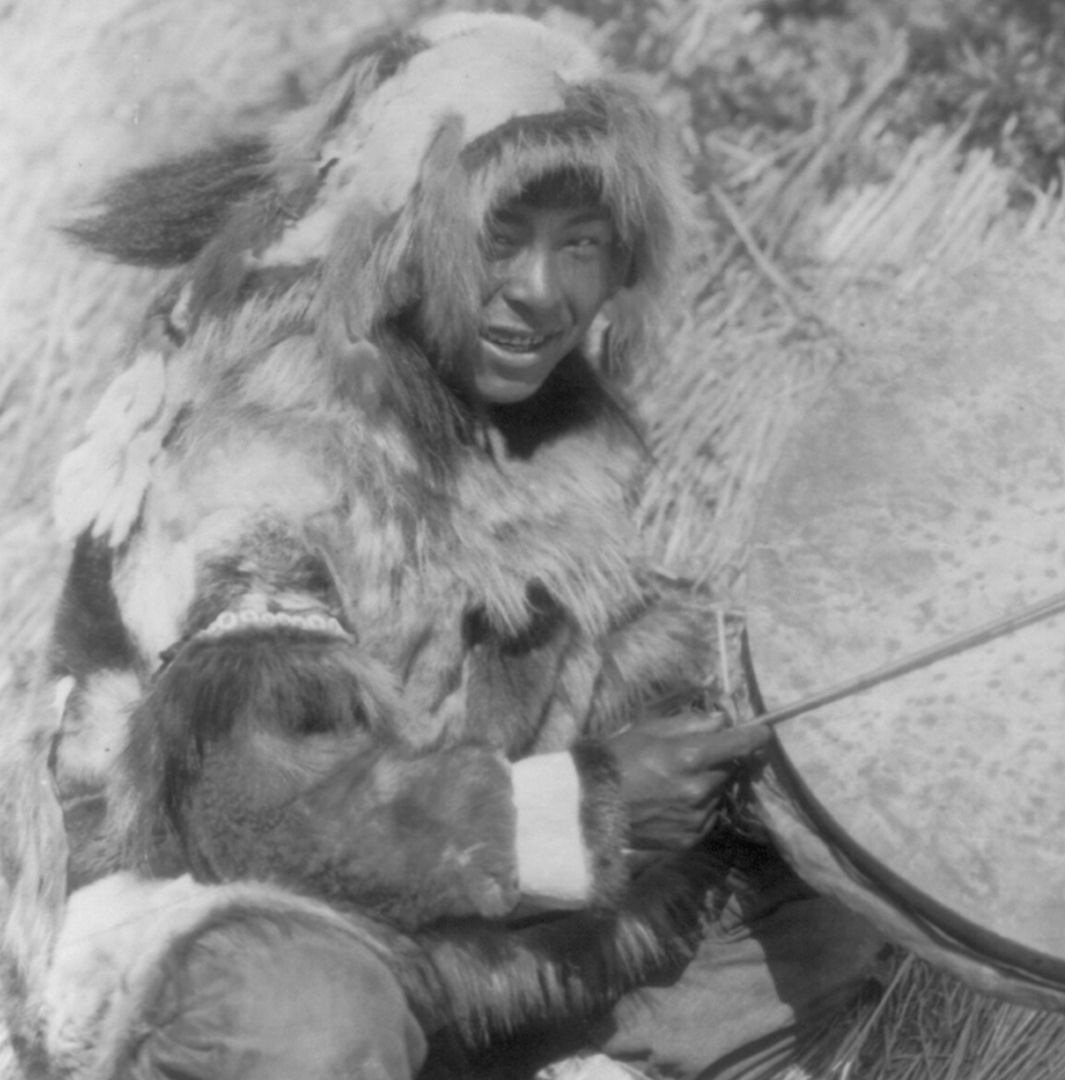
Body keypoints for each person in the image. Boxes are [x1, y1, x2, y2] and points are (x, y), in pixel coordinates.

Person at [12, 13, 879, 1080]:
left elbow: (609, 663)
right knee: (311, 1015)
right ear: (408, 233)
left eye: (581, 243)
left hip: (426, 909)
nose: (542, 290)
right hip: (197, 915)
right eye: (501, 236)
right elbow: (256, 814)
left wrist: (788, 695)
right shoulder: (268, 440)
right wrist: (592, 808)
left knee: (818, 879)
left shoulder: (539, 431)